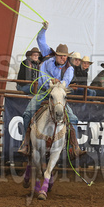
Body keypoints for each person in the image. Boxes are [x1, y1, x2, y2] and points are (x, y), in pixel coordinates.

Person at [18, 22, 84, 159]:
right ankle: (25, 143)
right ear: (56, 55)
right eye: (61, 55)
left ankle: (74, 146)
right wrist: (44, 29)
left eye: (65, 56)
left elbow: (65, 82)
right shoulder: (47, 59)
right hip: (44, 92)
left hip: (58, 95)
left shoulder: (69, 68)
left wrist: (58, 84)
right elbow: (40, 40)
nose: (63, 58)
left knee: (73, 118)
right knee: (27, 113)